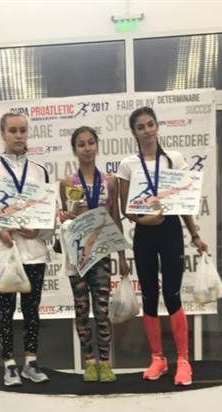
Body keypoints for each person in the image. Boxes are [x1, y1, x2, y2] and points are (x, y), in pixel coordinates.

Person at [117, 107, 208, 386]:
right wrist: (145, 219)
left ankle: (183, 360)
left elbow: (184, 202)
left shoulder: (174, 159)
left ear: (157, 126)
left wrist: (195, 235)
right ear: (134, 132)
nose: (147, 131)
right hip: (144, 234)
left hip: (170, 232)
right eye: (141, 127)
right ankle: (157, 358)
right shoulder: (128, 165)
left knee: (172, 294)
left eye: (150, 124)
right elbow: (126, 209)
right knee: (149, 295)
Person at [0, 112, 53, 387]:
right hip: (3, 253)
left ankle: (31, 362)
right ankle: (9, 365)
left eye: (23, 130)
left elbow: (47, 213)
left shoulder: (40, 171)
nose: (19, 135)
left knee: (32, 311)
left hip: (33, 252)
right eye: (13, 130)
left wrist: (38, 232)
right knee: (4, 312)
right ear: (2, 134)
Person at [59, 126, 129, 382]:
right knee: (81, 310)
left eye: (90, 143)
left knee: (101, 311)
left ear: (97, 145)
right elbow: (65, 218)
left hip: (101, 255)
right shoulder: (67, 183)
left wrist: (122, 256)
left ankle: (106, 363)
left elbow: (115, 218)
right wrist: (65, 216)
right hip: (77, 256)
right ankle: (89, 362)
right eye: (81, 144)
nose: (87, 148)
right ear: (74, 149)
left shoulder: (109, 181)